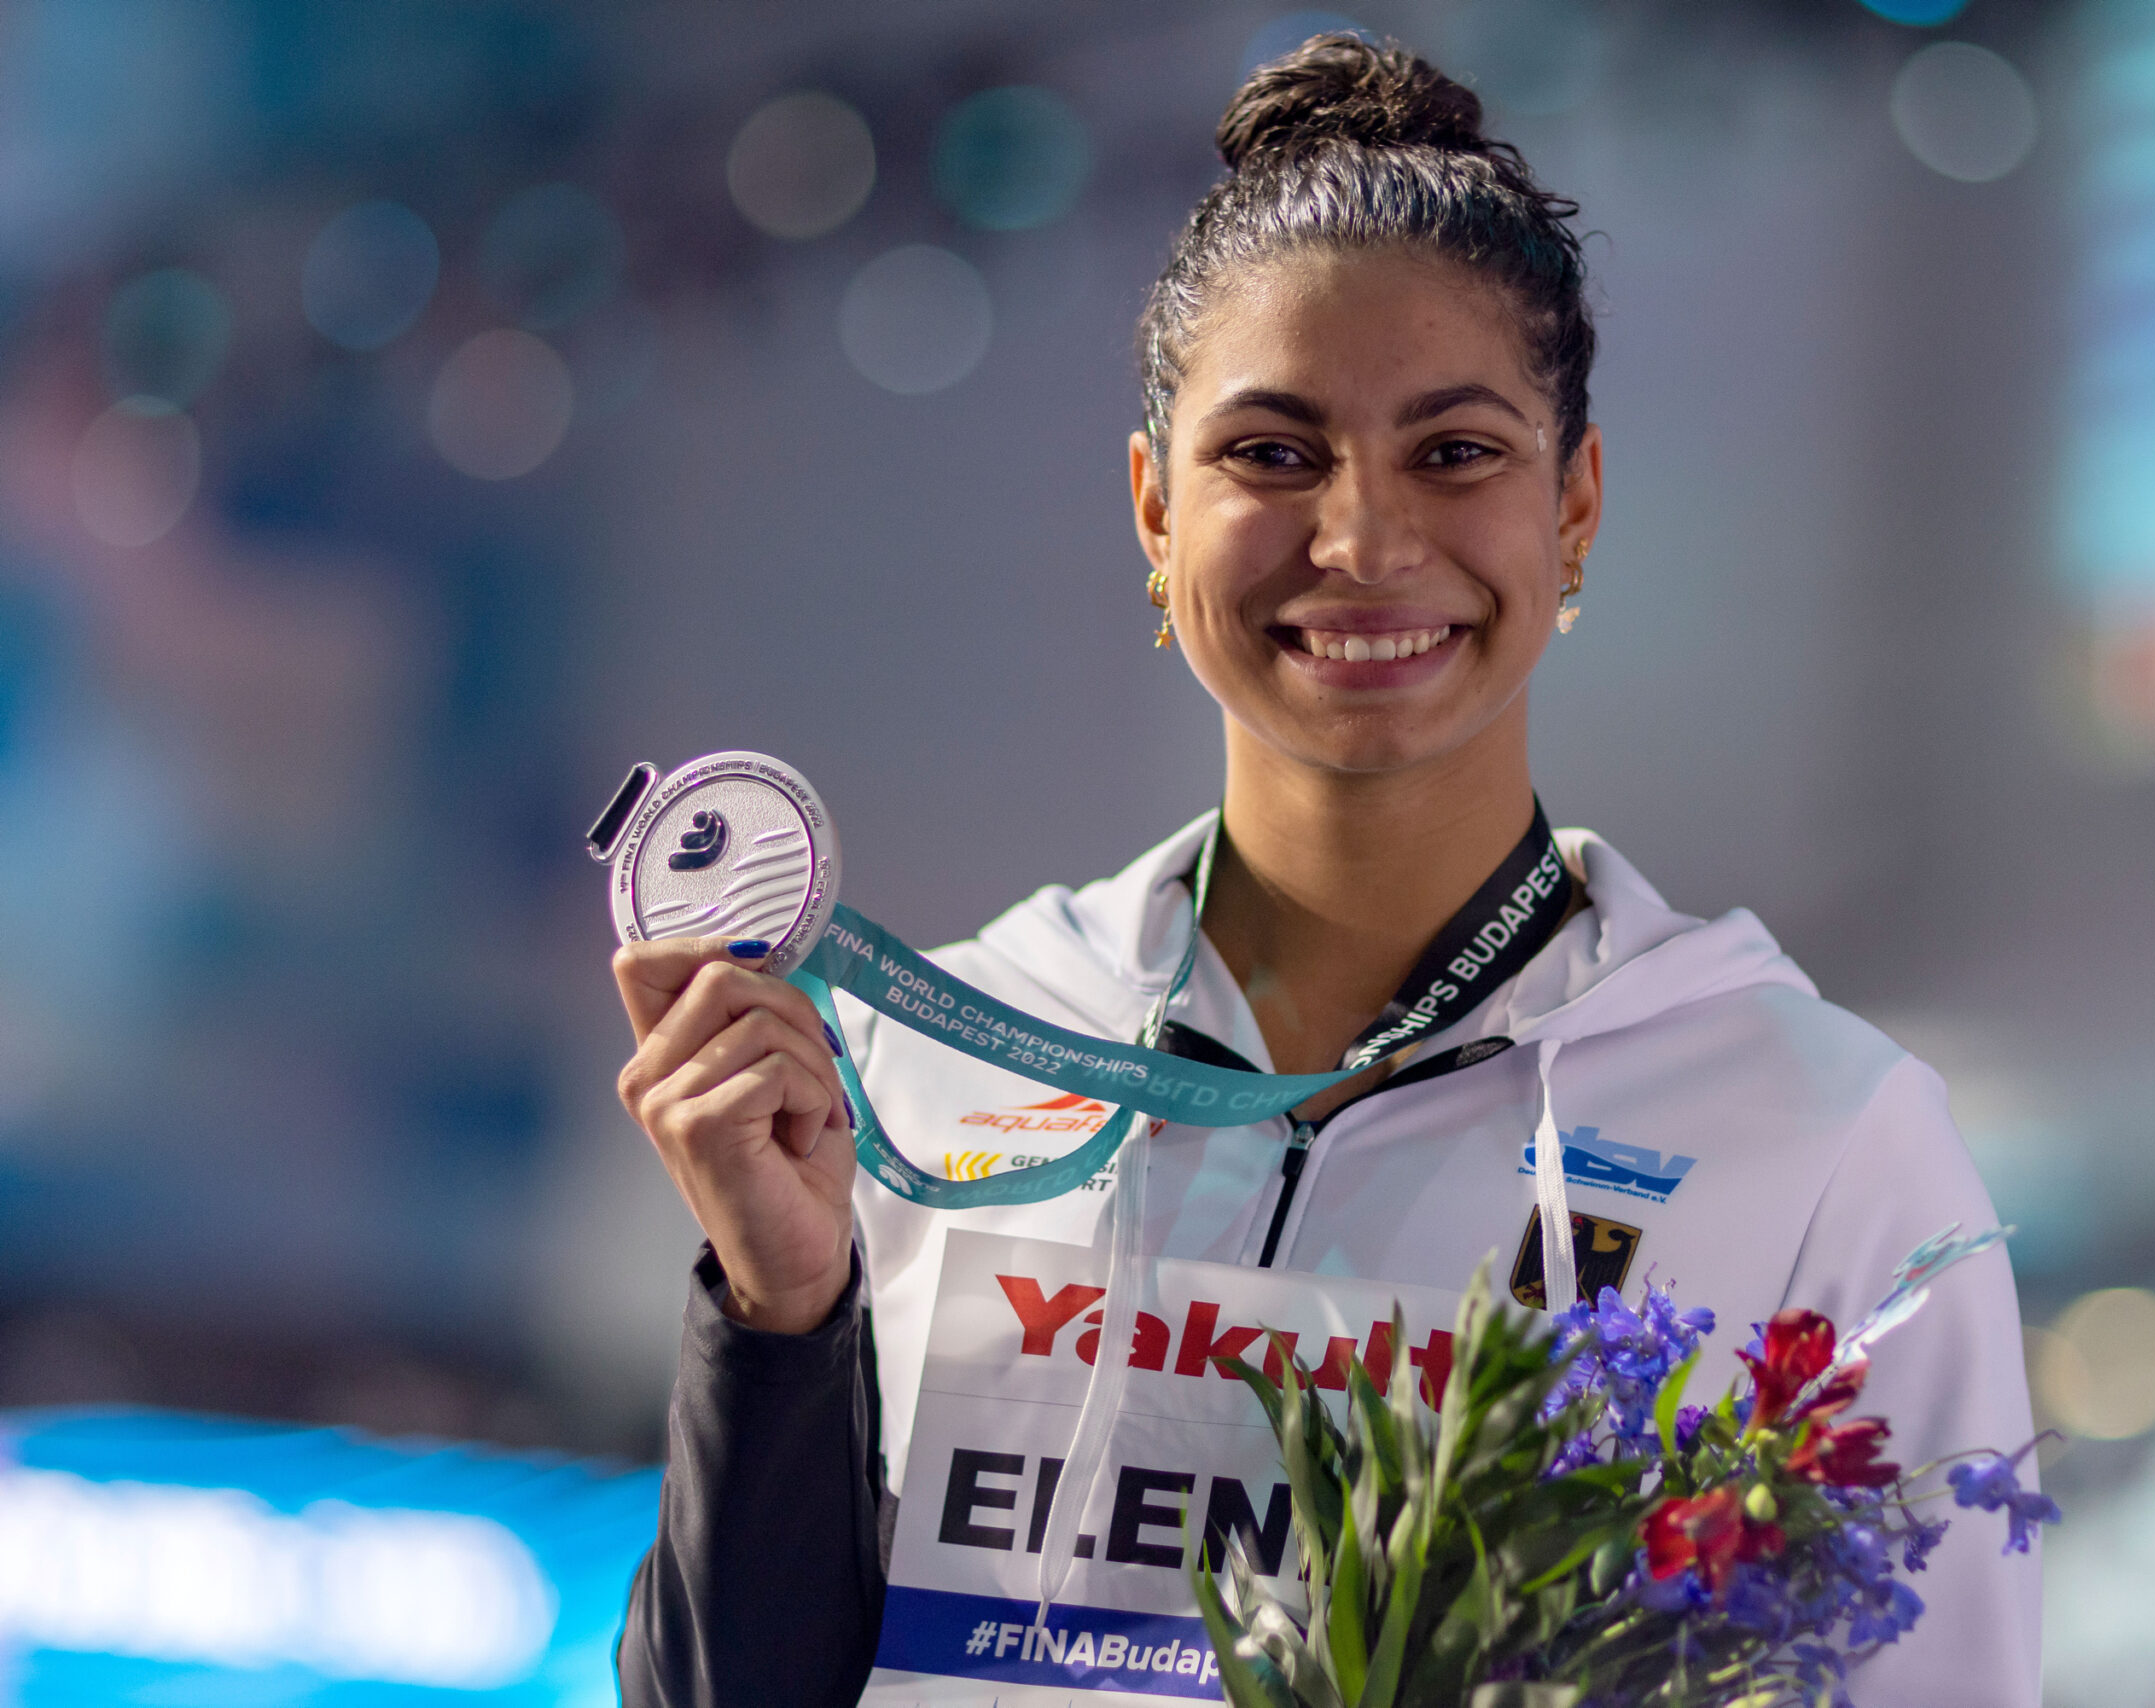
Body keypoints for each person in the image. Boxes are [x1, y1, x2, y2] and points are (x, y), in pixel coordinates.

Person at [610, 34, 2039, 1708]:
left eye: (1455, 453)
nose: (1361, 541)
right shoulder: (938, 1062)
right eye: (1272, 455)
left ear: (1574, 509)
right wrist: (781, 1317)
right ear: (1154, 513)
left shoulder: (1819, 1145)